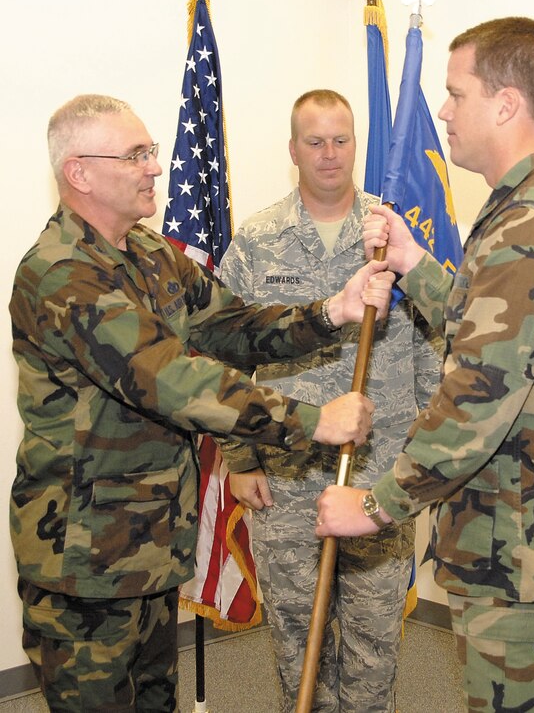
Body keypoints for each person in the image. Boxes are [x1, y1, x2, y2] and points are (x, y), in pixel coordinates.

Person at [8, 94, 395, 713]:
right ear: (79, 172)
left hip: (152, 542)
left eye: (152, 152)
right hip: (83, 556)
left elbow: (231, 328)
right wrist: (310, 421)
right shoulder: (61, 273)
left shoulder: (152, 254)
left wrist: (330, 313)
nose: (154, 168)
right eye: (135, 155)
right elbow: (170, 379)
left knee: (155, 699)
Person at [315, 18, 534, 712]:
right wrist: (414, 263)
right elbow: (492, 332)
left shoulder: (532, 225)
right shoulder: (527, 208)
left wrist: (374, 505)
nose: (443, 112)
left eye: (456, 94)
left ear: (506, 103)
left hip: (521, 547)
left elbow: (478, 396)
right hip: (517, 539)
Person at [218, 89, 442, 712]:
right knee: (298, 650)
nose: (329, 154)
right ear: (293, 149)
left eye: (341, 140)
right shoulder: (257, 242)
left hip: (379, 478)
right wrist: (240, 459)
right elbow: (222, 355)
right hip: (287, 478)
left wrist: (420, 459)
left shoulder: (391, 238)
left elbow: (431, 349)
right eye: (314, 141)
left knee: (374, 650)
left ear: (357, 146)